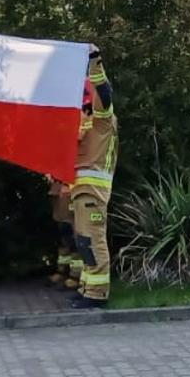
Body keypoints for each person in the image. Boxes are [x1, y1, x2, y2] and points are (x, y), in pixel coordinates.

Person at [68, 54, 118, 309]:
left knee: (93, 240)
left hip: (93, 191)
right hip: (80, 190)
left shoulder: (103, 121)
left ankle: (97, 293)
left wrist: (95, 62)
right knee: (83, 241)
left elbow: (105, 95)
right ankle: (86, 287)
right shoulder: (84, 123)